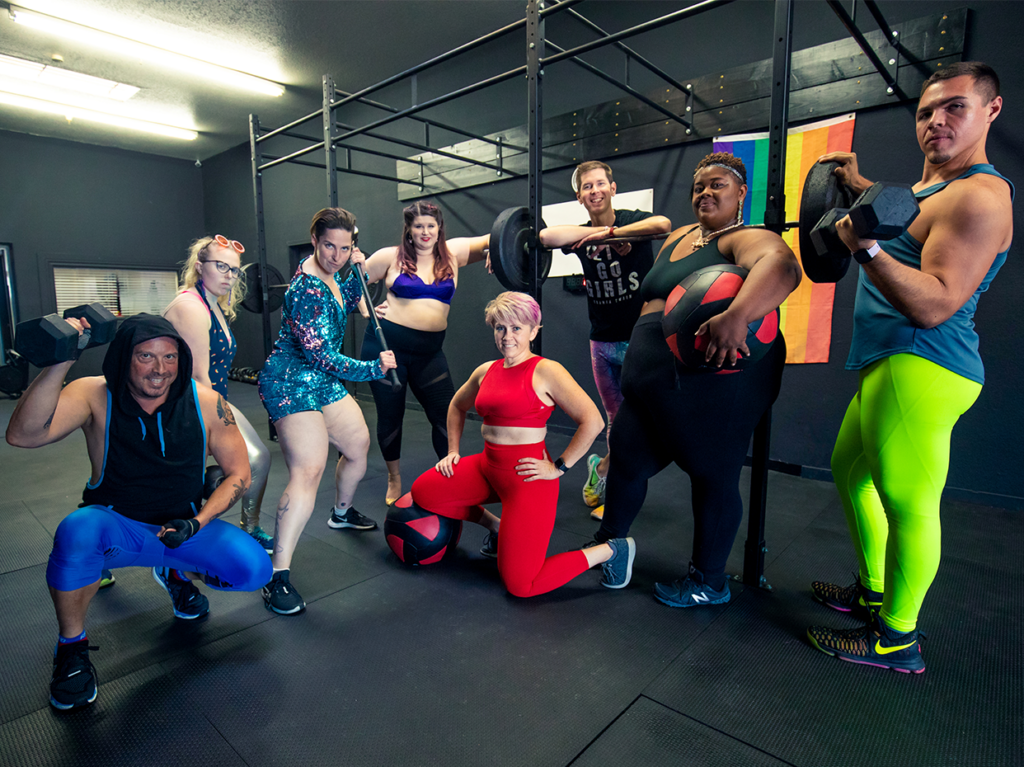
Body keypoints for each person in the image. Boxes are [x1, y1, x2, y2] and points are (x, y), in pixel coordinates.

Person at [806, 62, 1013, 674]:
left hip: (924, 362)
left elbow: (936, 303)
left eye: (955, 108)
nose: (937, 122)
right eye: (926, 112)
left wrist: (863, 248)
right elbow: (910, 216)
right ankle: (874, 591)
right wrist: (861, 184)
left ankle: (898, 640)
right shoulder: (935, 190)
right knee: (850, 473)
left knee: (906, 498)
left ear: (991, 111)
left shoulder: (979, 197)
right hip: (888, 362)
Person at [5, 314, 272, 711]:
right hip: (118, 528)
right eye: (146, 356)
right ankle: (72, 649)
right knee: (76, 531)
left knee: (254, 570)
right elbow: (23, 435)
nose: (160, 369)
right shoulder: (92, 393)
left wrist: (197, 522)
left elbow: (239, 473)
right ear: (123, 358)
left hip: (183, 529)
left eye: (169, 357)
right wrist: (61, 359)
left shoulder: (208, 402)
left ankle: (175, 571)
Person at [591, 152, 801, 606]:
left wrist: (739, 315)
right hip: (650, 378)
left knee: (712, 477)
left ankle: (709, 580)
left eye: (718, 184)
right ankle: (607, 546)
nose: (706, 192)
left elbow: (783, 266)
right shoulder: (683, 236)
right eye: (699, 186)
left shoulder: (742, 238)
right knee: (626, 460)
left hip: (703, 383)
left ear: (742, 192)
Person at [410, 291, 636, 598]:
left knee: (521, 585)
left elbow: (593, 421)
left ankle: (610, 551)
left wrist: (559, 466)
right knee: (425, 491)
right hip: (487, 467)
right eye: (500, 327)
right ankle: (497, 527)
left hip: (528, 479)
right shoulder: (486, 371)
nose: (507, 336)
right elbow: (456, 406)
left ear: (533, 330)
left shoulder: (546, 371)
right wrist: (453, 451)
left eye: (516, 328)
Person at [258, 207, 397, 615]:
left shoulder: (338, 273)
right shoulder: (305, 290)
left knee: (357, 444)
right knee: (310, 468)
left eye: (345, 247)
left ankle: (341, 513)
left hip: (320, 379)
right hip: (290, 380)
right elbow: (323, 357)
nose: (336, 255)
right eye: (328, 247)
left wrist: (358, 275)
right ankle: (276, 576)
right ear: (314, 242)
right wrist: (374, 367)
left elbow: (352, 297)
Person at [538, 161, 672, 520]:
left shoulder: (633, 222)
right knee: (617, 421)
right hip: (603, 344)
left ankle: (602, 468)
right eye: (587, 187)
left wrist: (613, 234)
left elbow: (664, 225)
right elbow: (546, 238)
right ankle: (613, 488)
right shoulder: (579, 235)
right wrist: (596, 235)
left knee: (641, 422)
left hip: (640, 340)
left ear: (613, 188)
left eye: (600, 184)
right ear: (579, 197)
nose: (594, 190)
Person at [360, 201, 489, 506]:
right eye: (418, 226)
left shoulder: (453, 254)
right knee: (392, 417)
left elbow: (495, 239)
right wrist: (366, 310)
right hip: (386, 350)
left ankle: (449, 476)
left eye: (431, 225)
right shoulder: (389, 257)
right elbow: (351, 283)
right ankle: (394, 479)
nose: (425, 232)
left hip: (429, 352)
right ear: (409, 229)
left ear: (439, 227)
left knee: (445, 415)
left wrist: (496, 254)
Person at [163, 234, 274, 553]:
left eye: (234, 270)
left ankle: (250, 527)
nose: (229, 275)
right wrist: (215, 433)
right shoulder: (191, 307)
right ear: (200, 267)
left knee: (259, 458)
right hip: (188, 404)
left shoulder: (213, 303)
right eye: (221, 266)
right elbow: (197, 377)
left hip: (213, 397)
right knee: (169, 485)